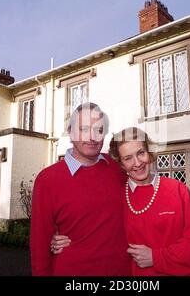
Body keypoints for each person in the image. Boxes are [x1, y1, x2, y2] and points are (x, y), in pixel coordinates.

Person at [52, 127, 190, 276]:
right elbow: (94, 232)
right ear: (121, 164)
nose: (137, 163)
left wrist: (156, 257)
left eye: (141, 153)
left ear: (149, 152)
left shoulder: (176, 189)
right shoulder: (116, 197)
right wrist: (63, 240)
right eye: (128, 158)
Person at [30, 102, 131, 276]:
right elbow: (39, 244)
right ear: (70, 133)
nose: (92, 137)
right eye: (84, 129)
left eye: (99, 130)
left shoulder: (118, 168)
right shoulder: (47, 180)